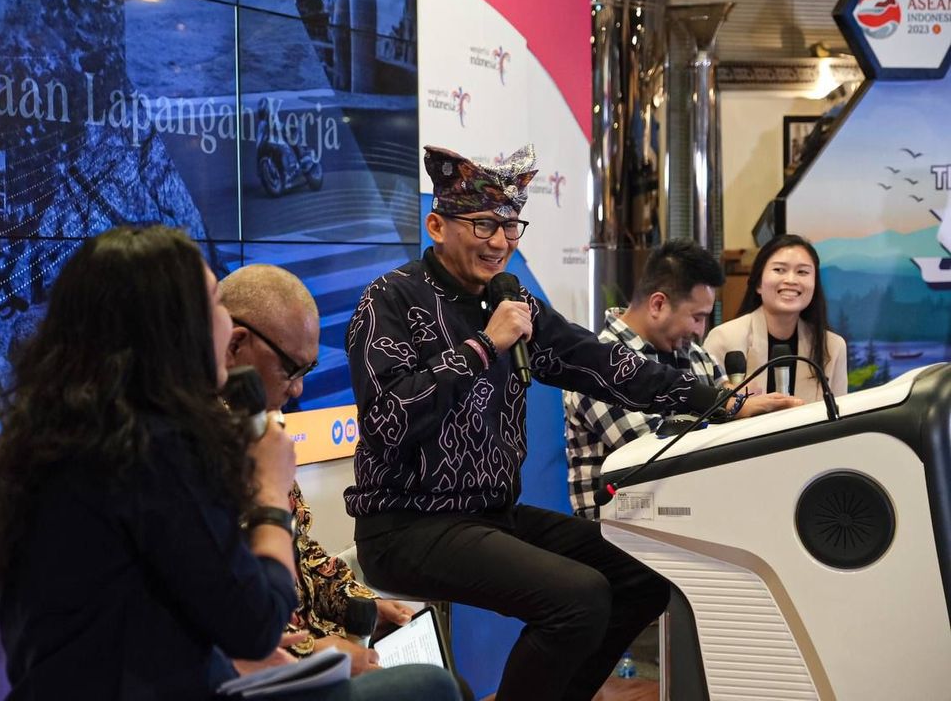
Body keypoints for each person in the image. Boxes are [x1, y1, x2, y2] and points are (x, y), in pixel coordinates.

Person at [0, 226, 459, 701]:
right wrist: (269, 490)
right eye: (212, 304)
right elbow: (256, 619)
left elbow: (169, 605)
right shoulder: (158, 451)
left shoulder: (59, 441)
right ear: (171, 331)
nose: (226, 324)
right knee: (433, 687)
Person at [343, 144, 736, 701]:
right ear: (437, 224)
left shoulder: (512, 302)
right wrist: (485, 347)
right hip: (406, 523)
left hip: (489, 515)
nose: (501, 242)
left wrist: (722, 402)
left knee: (642, 574)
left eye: (510, 226)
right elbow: (389, 418)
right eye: (484, 225)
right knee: (577, 598)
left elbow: (603, 365)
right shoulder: (389, 299)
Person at [218, 265, 415, 677]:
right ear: (236, 344)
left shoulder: (256, 430)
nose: (298, 390)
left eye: (307, 372)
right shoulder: (196, 450)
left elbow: (300, 551)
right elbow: (230, 605)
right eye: (290, 370)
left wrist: (360, 604)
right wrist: (320, 654)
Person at [563, 239, 802, 518]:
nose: (701, 330)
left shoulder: (697, 357)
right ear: (658, 304)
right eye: (697, 317)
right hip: (616, 537)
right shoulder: (598, 364)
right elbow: (655, 452)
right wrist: (733, 412)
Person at [703, 233, 847, 402]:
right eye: (779, 270)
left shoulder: (832, 347)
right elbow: (708, 414)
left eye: (802, 272)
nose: (791, 280)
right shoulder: (724, 339)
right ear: (758, 283)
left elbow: (838, 422)